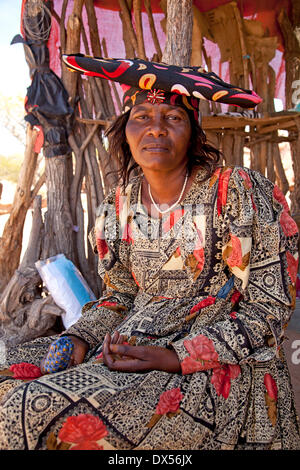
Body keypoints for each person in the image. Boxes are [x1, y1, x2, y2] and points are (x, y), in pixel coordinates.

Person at [0, 55, 299, 450]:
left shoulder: (238, 192)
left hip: (217, 367)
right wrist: (81, 339)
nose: (156, 128)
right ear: (125, 131)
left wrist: (175, 356)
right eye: (142, 116)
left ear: (193, 133)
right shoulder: (116, 207)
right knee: (9, 385)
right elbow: (121, 296)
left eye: (173, 118)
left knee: (34, 412)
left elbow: (269, 307)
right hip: (130, 351)